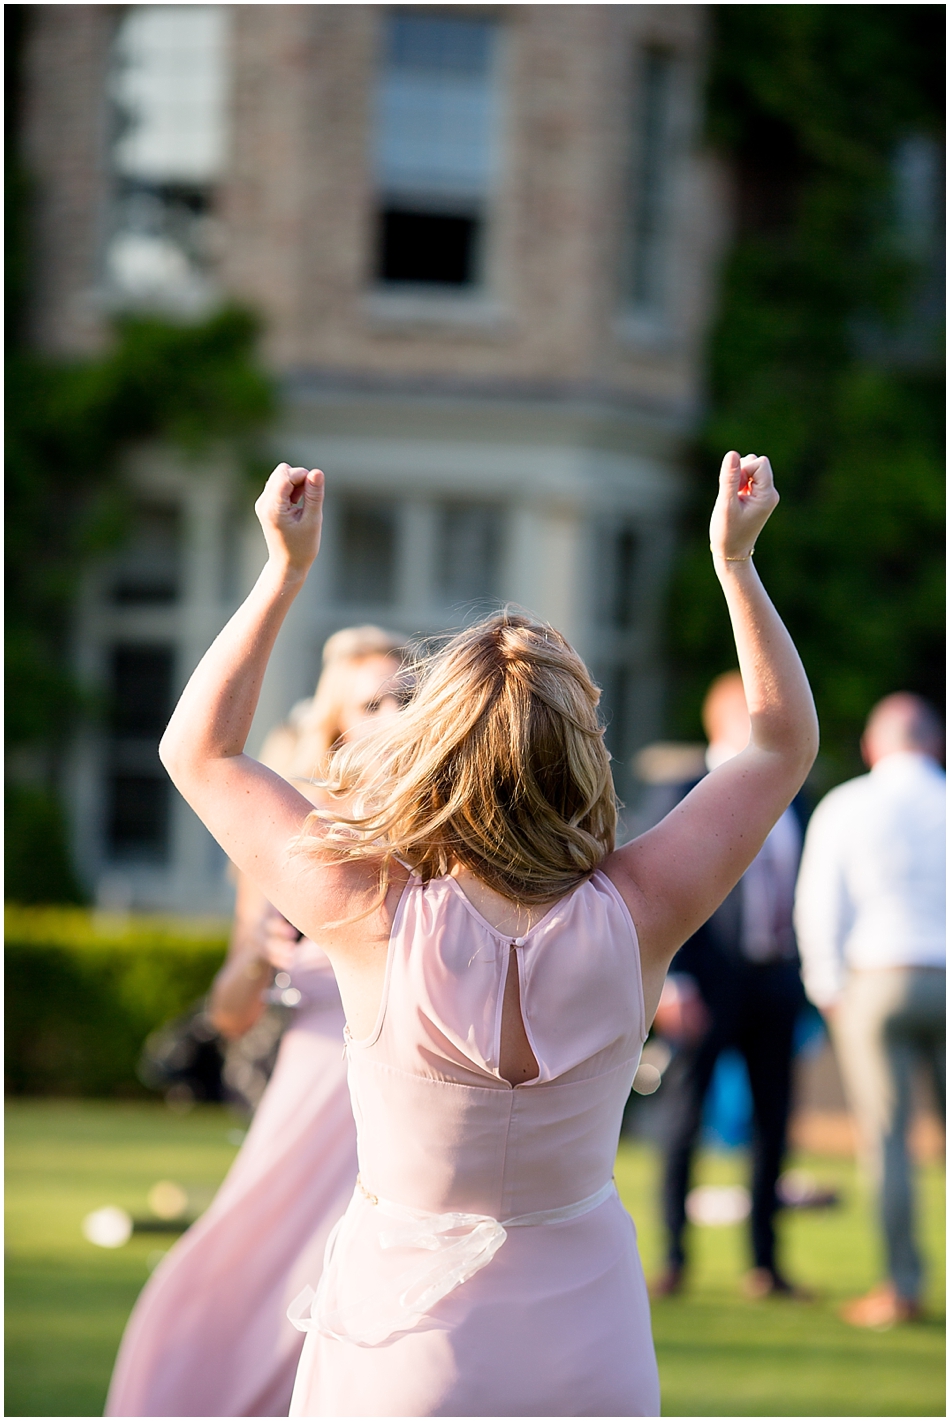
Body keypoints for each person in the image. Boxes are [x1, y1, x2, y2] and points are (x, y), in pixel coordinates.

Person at [157, 450, 817, 1416]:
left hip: (403, 1350)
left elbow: (201, 750)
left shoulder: (365, 907)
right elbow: (778, 745)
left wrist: (284, 570)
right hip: (590, 1354)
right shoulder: (643, 909)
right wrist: (737, 565)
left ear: (433, 749)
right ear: (584, 752)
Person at [106, 628, 406, 1418]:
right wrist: (262, 955)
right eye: (372, 701)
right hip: (315, 1086)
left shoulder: (450, 826)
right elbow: (230, 1014)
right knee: (252, 1269)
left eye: (408, 696)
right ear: (338, 723)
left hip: (414, 1088)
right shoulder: (290, 827)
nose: (393, 714)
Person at [650, 671, 808, 1301]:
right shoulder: (683, 788)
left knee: (774, 1125)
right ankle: (673, 1260)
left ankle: (766, 1265)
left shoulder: (795, 794)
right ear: (725, 720)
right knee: (683, 1120)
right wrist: (672, 978)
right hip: (706, 983)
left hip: (776, 980)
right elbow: (654, 885)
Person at [794, 693, 945, 1329]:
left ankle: (901, 1287)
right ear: (933, 744)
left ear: (872, 747)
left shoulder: (848, 805)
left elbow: (819, 904)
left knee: (887, 1143)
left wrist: (827, 988)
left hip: (878, 980)